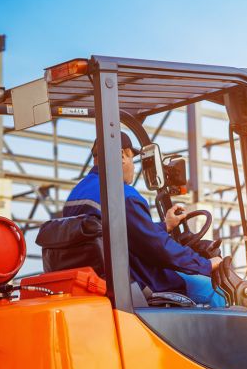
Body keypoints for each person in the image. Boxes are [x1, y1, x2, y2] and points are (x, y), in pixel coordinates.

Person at [64, 132, 225, 307]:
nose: (134, 167)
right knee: (212, 289)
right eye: (133, 159)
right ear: (121, 155)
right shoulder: (123, 195)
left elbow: (123, 233)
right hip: (137, 282)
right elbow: (159, 248)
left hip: (100, 282)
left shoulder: (76, 194)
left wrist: (165, 226)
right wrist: (205, 265)